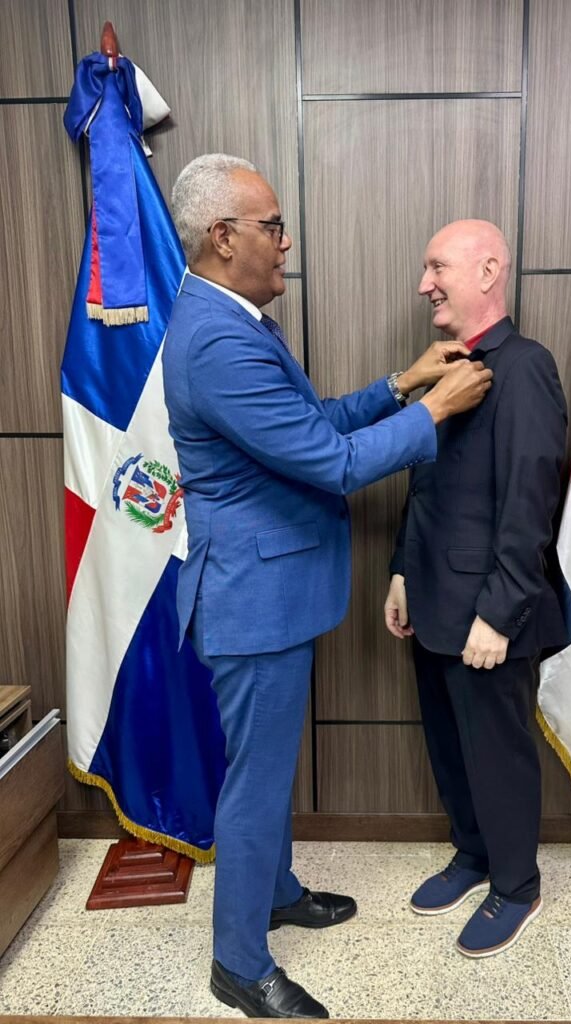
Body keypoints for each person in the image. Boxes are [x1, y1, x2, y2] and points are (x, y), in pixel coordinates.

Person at [162, 154, 492, 1018]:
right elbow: (331, 461)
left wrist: (400, 385)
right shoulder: (217, 339)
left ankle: (273, 895)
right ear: (222, 236)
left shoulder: (234, 319)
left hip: (270, 593)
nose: (286, 241)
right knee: (256, 785)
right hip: (252, 601)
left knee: (267, 771)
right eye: (272, 226)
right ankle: (239, 964)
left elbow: (305, 424)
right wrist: (433, 412)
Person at [384, 219, 568, 959]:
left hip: (489, 614)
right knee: (450, 745)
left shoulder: (525, 367)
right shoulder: (445, 366)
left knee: (497, 752)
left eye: (438, 268)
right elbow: (427, 482)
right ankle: (473, 852)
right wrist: (402, 570)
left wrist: (499, 612)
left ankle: (516, 884)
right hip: (431, 601)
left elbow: (530, 501)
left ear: (489, 271)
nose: (424, 284)